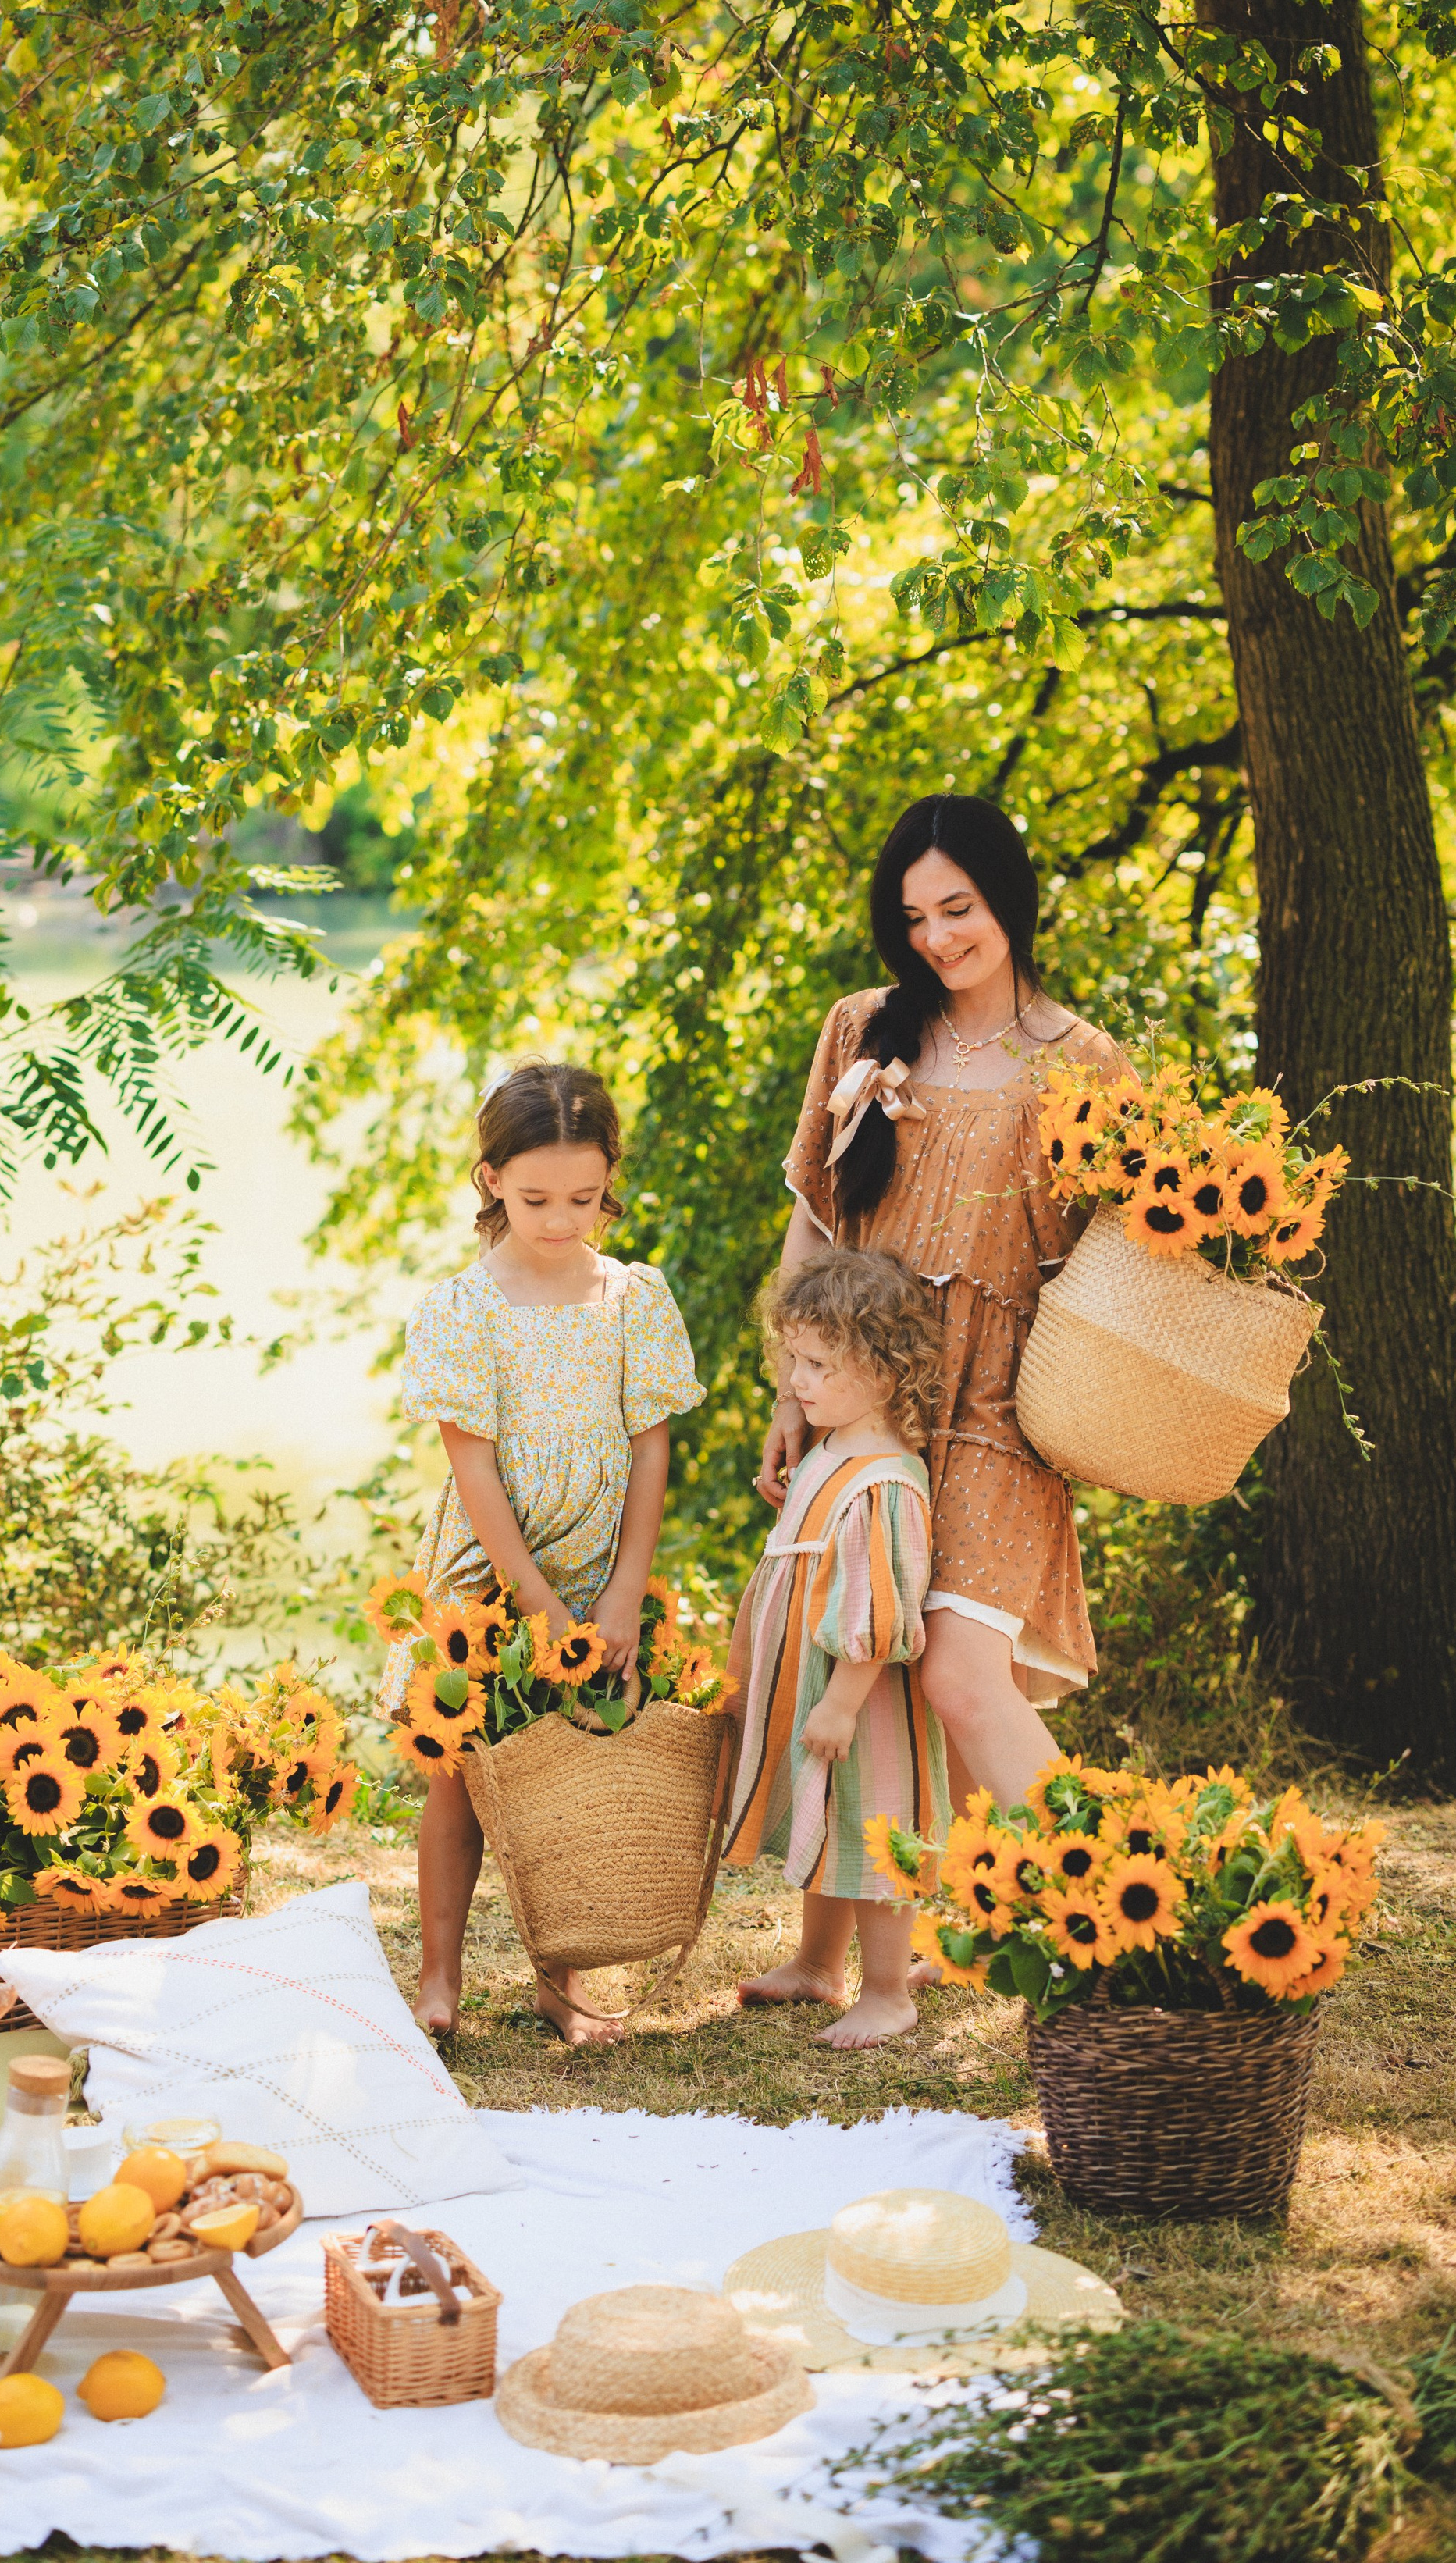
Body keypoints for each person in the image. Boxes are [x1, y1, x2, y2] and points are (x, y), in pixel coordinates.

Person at [757, 795, 1130, 1817]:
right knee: (881, 1666)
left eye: (958, 907)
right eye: (915, 918)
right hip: (871, 1400)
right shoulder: (861, 1030)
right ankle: (966, 1911)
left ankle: (1116, 1902)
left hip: (1004, 1407)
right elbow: (816, 1227)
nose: (938, 937)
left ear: (1008, 896)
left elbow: (1126, 1264)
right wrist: (793, 1389)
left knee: (963, 1673)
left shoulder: (1084, 1063)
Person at [395, 1058, 703, 2048]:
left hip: (597, 1562)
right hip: (492, 1569)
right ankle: (437, 1975)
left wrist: (619, 1592)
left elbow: (651, 1445)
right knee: (464, 1765)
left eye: (583, 1195)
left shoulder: (632, 1297)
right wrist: (530, 1597)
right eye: (535, 1198)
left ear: (610, 1173)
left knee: (565, 1758)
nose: (562, 1218)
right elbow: (473, 1468)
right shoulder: (462, 1308)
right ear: (490, 1180)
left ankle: (560, 1982)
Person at [723, 1251, 949, 2048]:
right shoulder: (831, 1449)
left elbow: (880, 1610)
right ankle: (818, 1964)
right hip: (816, 1682)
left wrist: (840, 1702)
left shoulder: (884, 1477)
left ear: (885, 1372)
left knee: (872, 1827)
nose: (799, 1379)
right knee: (828, 1819)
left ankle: (887, 1990)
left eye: (819, 1363)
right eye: (794, 1359)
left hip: (858, 1696)